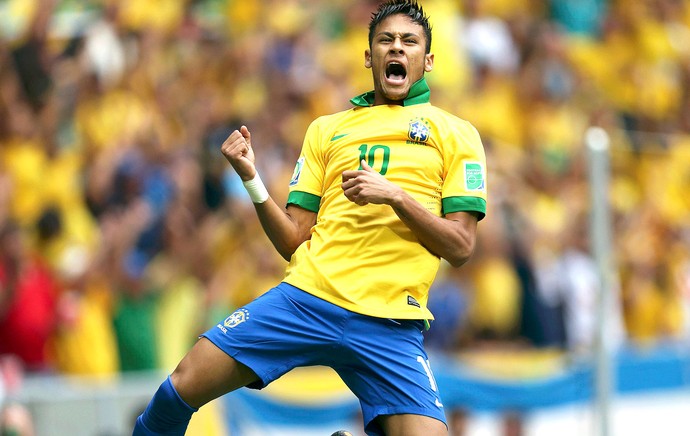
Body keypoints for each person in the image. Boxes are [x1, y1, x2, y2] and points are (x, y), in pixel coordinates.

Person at [133, 1, 487, 435]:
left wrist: (395, 196)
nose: (397, 48)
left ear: (427, 60)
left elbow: (462, 247)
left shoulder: (456, 134)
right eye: (386, 40)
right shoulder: (326, 129)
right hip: (308, 299)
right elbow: (293, 240)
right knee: (182, 385)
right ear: (369, 55)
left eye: (409, 41)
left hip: (390, 322)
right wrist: (251, 179)